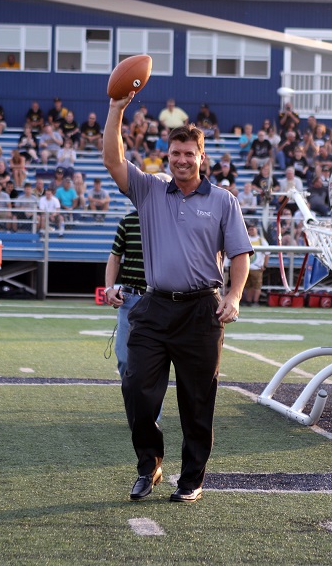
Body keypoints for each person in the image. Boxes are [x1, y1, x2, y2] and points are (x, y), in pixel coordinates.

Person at [103, 87, 252, 503]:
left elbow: (240, 254)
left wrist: (234, 296)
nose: (182, 160)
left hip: (201, 310)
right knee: (135, 388)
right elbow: (113, 159)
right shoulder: (149, 190)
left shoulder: (223, 201)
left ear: (202, 157)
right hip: (153, 307)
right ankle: (149, 464)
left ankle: (191, 480)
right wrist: (116, 109)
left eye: (190, 154)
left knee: (197, 401)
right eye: (175, 154)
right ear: (167, 156)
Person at [104, 210, 147, 379]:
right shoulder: (128, 221)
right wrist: (109, 288)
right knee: (124, 358)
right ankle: (134, 403)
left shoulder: (170, 218)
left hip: (160, 298)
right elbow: (115, 257)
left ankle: (150, 406)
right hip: (131, 297)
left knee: (155, 361)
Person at [241, 222, 268, 306]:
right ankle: (248, 301)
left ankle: (255, 301)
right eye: (250, 229)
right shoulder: (245, 239)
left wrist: (264, 265)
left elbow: (267, 253)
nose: (251, 231)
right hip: (247, 267)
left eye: (253, 229)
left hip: (257, 267)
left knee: (257, 286)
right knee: (248, 286)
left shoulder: (261, 240)